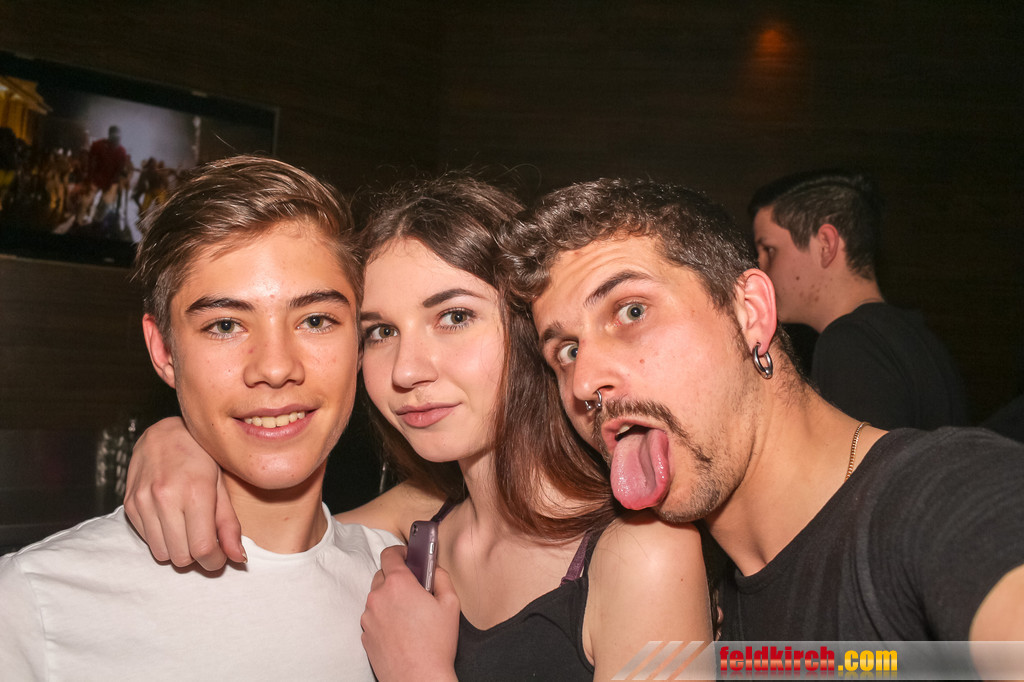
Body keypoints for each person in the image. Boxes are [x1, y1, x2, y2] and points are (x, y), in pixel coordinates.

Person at [122, 175, 712, 680]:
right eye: (381, 332)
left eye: (454, 317)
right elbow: (290, 534)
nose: (406, 370)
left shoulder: (645, 554)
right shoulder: (415, 530)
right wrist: (174, 437)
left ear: (530, 326)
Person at [500, 178, 1024, 653]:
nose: (584, 382)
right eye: (567, 351)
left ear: (749, 311)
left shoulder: (945, 495)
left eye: (632, 311)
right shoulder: (699, 603)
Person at [0, 156, 399, 679]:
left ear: (360, 342)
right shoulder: (36, 604)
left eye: (316, 320)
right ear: (164, 351)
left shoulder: (406, 584)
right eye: (225, 325)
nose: (275, 367)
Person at [749, 169, 968, 430]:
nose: (760, 268)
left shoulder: (849, 343)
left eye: (769, 250)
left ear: (826, 245)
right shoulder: (919, 337)